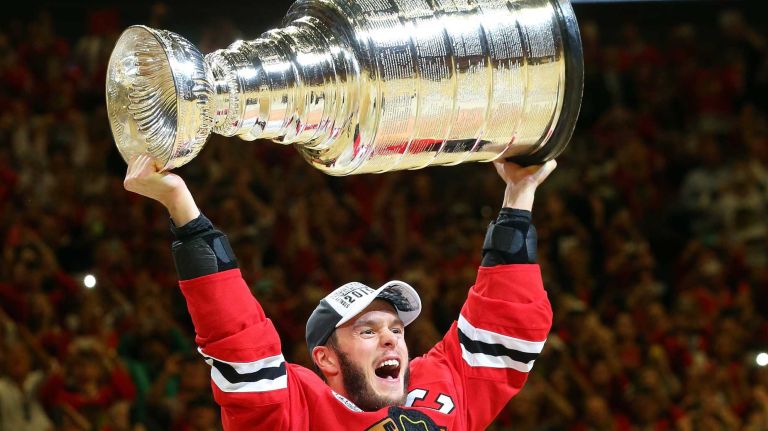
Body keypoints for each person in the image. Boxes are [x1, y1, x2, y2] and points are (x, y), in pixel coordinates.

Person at [123, 154, 556, 430]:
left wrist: (518, 197)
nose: (392, 338)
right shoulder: (301, 411)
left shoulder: (438, 386)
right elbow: (243, 349)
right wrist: (184, 211)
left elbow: (507, 327)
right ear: (326, 358)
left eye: (396, 329)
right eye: (367, 331)